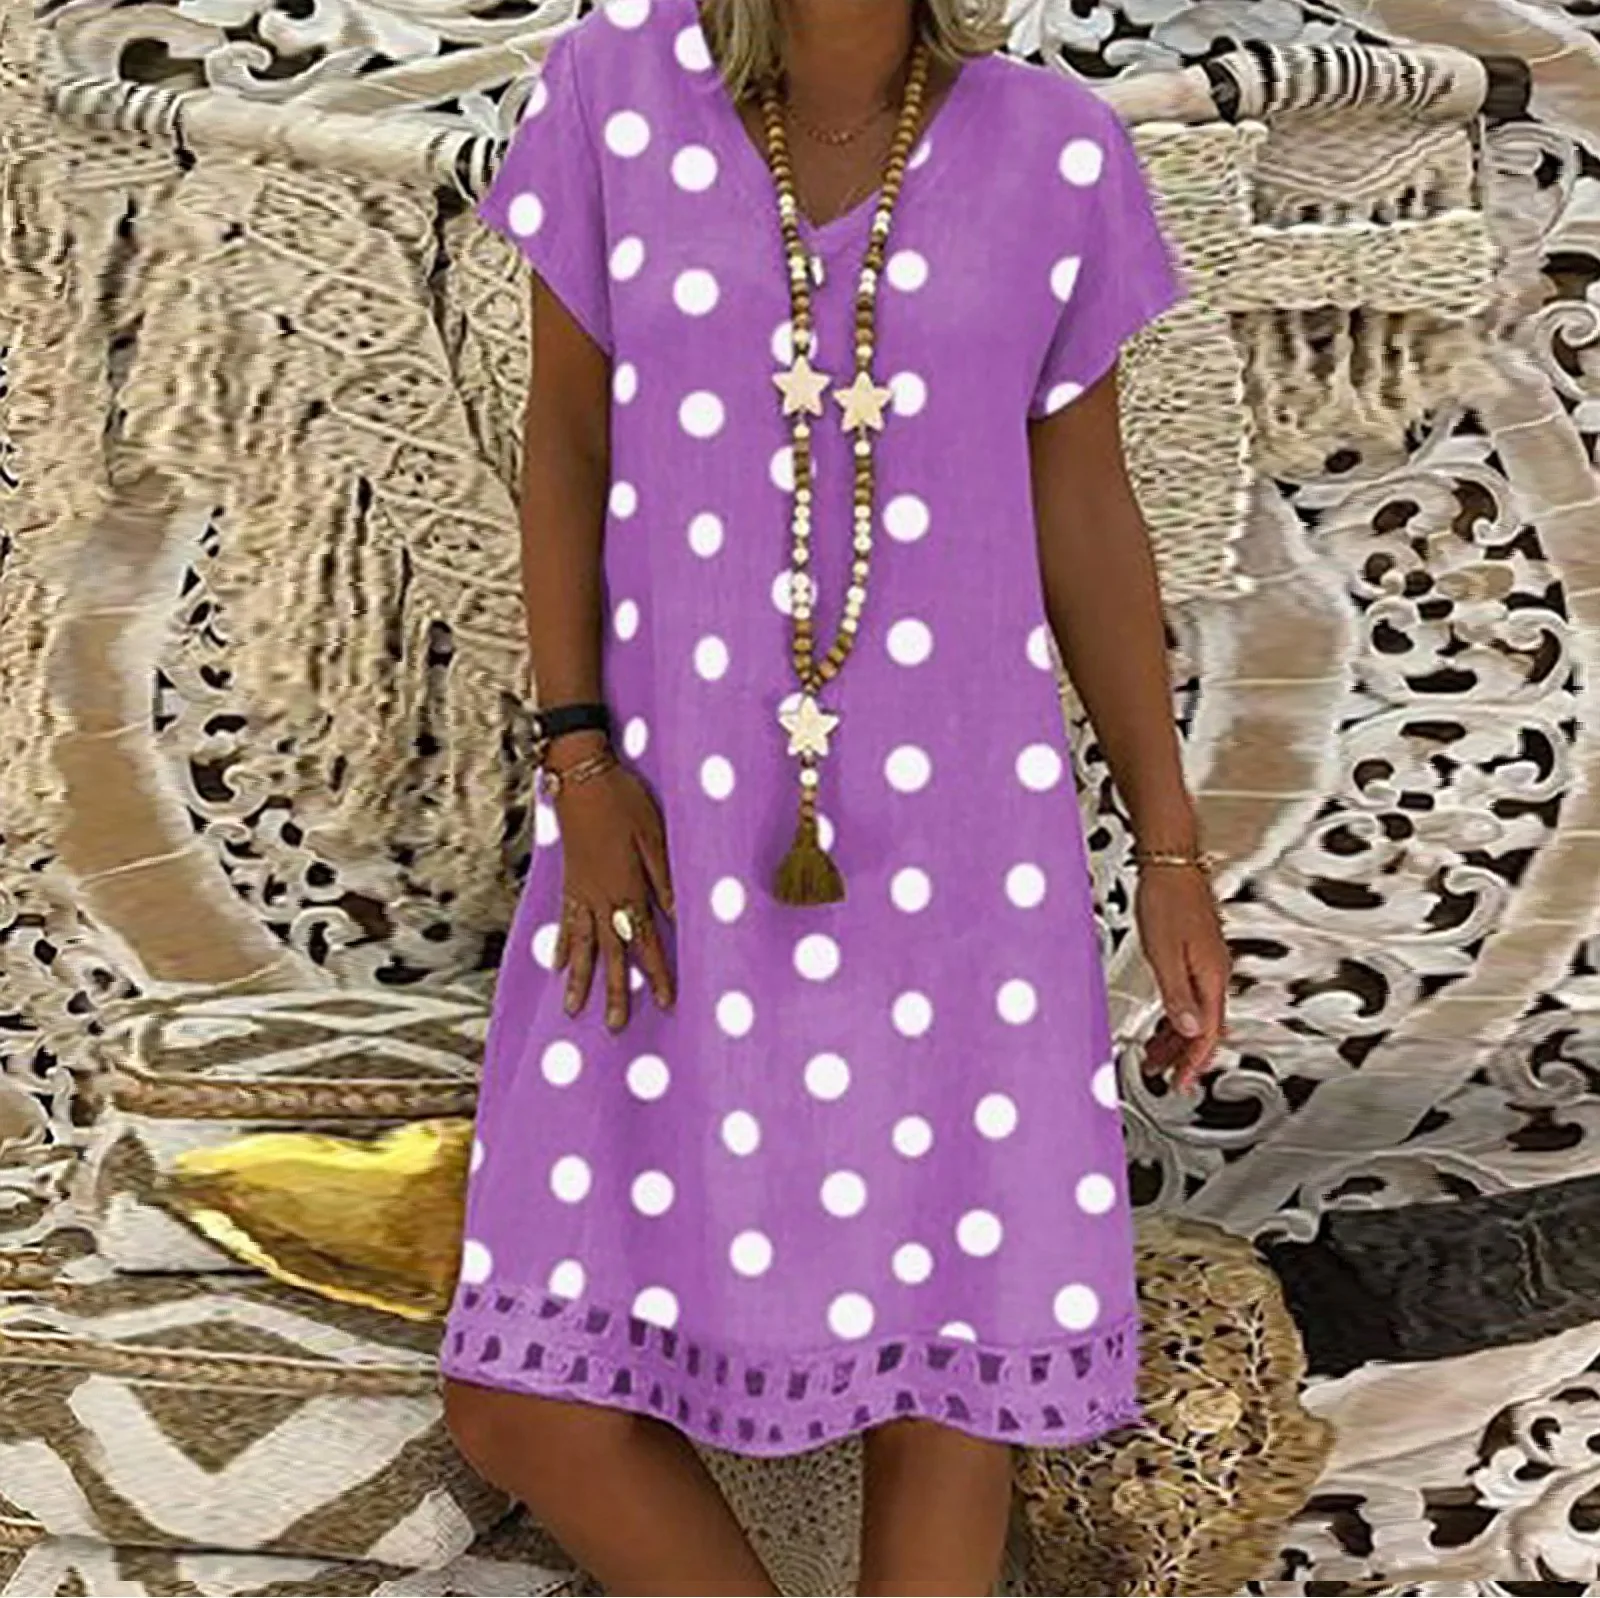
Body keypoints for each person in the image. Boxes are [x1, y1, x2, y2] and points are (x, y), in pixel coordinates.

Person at [440, 0, 1229, 1591]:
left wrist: (1171, 847)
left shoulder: (1054, 148)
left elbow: (1085, 503)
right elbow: (565, 441)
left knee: (943, 1368)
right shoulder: (612, 86)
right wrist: (578, 756)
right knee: (526, 1397)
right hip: (661, 837)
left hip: (967, 857)